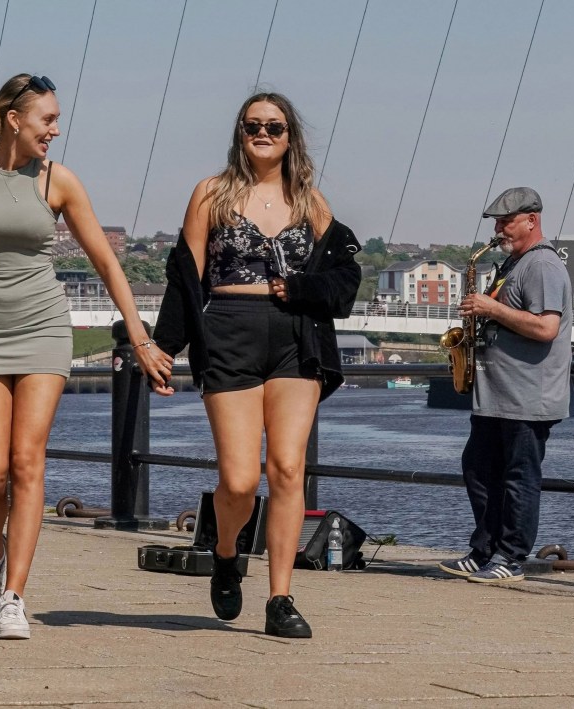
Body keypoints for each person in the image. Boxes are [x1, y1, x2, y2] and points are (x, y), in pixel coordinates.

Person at [0, 73, 173, 639]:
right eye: (47, 120)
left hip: (43, 327)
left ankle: (14, 595)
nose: (55, 131)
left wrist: (140, 337)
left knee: (27, 463)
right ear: (15, 119)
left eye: (57, 121)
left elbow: (108, 262)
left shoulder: (59, 182)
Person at [154, 92, 361, 638]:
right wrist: (161, 346)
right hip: (228, 334)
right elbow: (184, 275)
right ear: (240, 133)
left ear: (291, 135)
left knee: (288, 468)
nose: (263, 133)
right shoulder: (212, 194)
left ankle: (281, 597)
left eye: (274, 125)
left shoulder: (312, 203)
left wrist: (296, 287)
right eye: (252, 126)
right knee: (240, 480)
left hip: (296, 338)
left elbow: (341, 280)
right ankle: (226, 554)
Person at [438, 186, 574, 584]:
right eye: (497, 222)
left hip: (528, 395)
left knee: (518, 478)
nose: (499, 230)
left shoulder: (543, 266)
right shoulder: (513, 265)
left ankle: (511, 558)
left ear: (532, 220)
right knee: (478, 469)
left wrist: (491, 307)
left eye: (506, 221)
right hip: (497, 395)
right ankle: (485, 549)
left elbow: (547, 327)